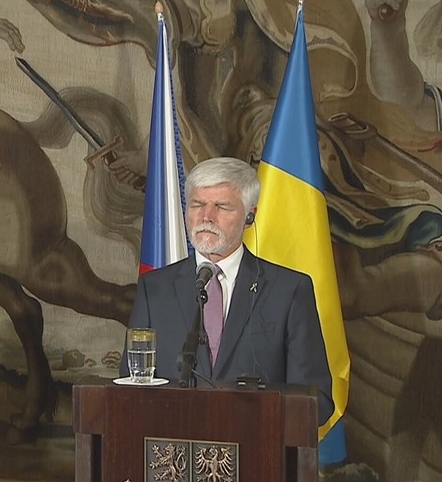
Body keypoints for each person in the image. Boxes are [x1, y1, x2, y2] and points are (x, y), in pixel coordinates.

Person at [123, 157, 334, 423]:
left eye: (221, 207)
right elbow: (129, 388)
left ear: (249, 216)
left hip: (257, 443)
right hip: (172, 444)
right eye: (197, 205)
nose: (206, 217)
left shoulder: (289, 290)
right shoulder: (154, 289)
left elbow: (316, 401)